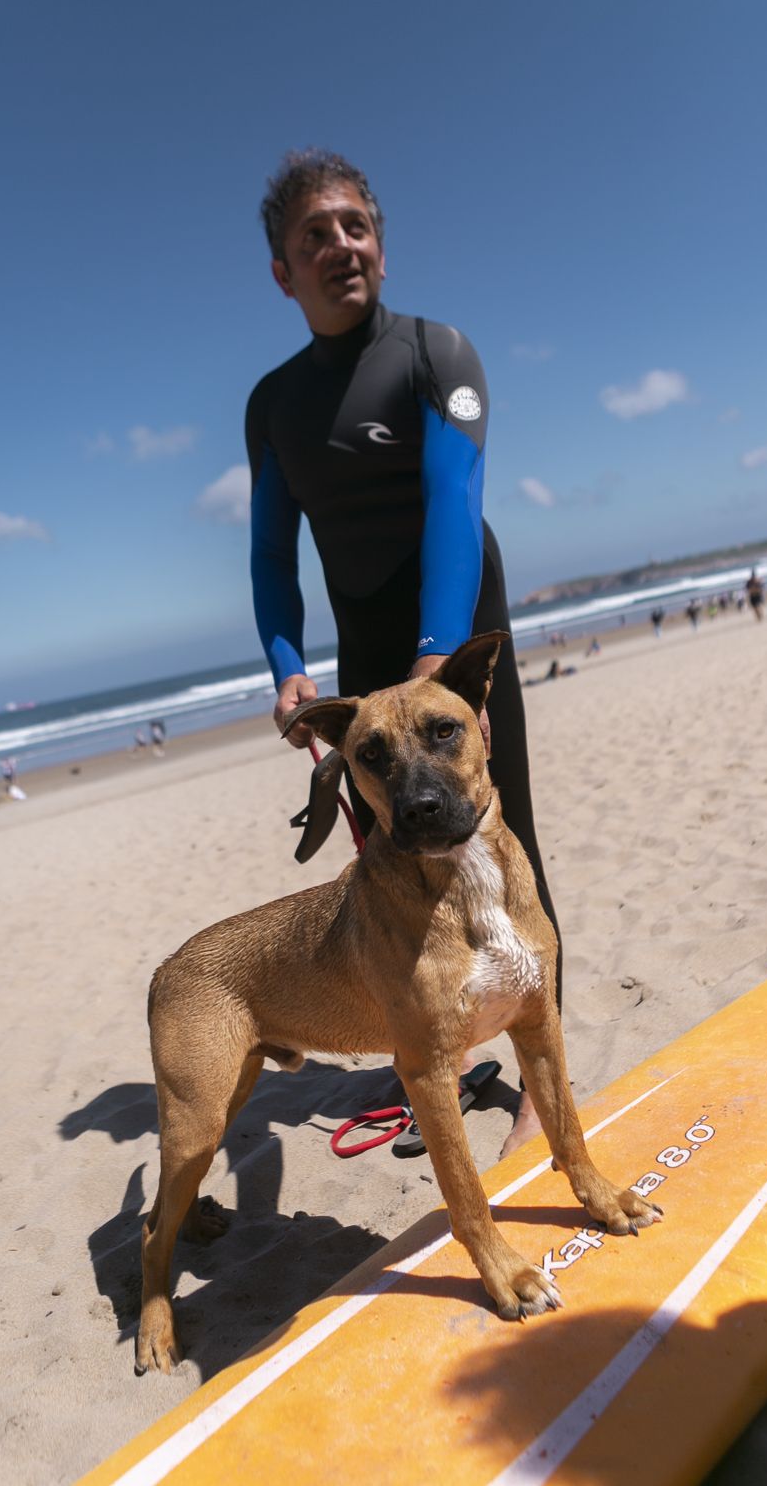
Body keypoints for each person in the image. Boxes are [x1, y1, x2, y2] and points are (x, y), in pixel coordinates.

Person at [246, 149, 559, 1153]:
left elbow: (455, 506)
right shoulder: (274, 404)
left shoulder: (437, 352)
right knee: (391, 861)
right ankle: (441, 1054)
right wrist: (287, 661)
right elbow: (268, 549)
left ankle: (534, 1084)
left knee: (500, 839)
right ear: (282, 273)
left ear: (380, 242)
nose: (340, 245)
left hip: (456, 621)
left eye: (353, 226)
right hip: (362, 637)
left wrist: (435, 661)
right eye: (313, 236)